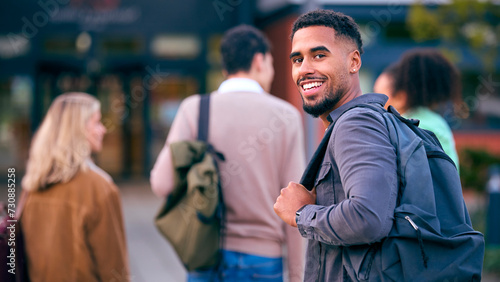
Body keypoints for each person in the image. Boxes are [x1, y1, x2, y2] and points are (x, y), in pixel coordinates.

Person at [150, 24, 306, 281]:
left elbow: (161, 184)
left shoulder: (194, 109)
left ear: (225, 68)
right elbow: (296, 203)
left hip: (205, 254)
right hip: (262, 260)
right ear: (260, 60)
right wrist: (298, 273)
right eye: (271, 63)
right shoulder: (285, 116)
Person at [273, 9, 400, 281]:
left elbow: (368, 218)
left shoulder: (355, 125)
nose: (304, 69)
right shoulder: (358, 122)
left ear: (354, 62)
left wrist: (301, 213)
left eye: (319, 55)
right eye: (297, 59)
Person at [21, 93, 130, 282]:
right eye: (96, 123)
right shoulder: (99, 188)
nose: (103, 129)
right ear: (77, 130)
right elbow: (114, 270)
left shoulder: (32, 185)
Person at [373, 48, 461, 168]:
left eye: (379, 96)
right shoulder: (434, 121)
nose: (375, 103)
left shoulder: (410, 128)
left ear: (400, 97)